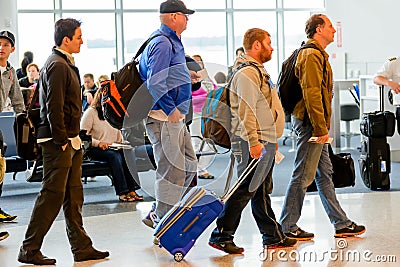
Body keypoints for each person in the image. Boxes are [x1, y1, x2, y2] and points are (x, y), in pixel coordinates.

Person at [18, 18, 109, 265]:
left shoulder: (64, 63)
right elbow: (53, 107)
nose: (82, 41)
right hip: (59, 141)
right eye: (79, 37)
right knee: (52, 195)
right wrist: (61, 140)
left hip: (70, 139)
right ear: (66, 39)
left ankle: (81, 247)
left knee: (73, 194)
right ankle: (29, 248)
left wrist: (71, 139)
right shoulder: (57, 65)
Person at [208, 28, 296, 254]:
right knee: (247, 189)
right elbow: (246, 111)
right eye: (269, 43)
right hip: (251, 141)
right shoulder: (247, 74)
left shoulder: (257, 71)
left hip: (262, 139)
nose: (272, 47)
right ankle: (221, 235)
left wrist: (271, 139)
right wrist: (254, 142)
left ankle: (271, 235)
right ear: (256, 45)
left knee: (261, 189)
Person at [279, 14, 366, 241]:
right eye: (329, 27)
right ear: (318, 29)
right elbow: (312, 95)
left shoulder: (316, 54)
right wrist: (320, 130)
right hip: (310, 125)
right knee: (303, 174)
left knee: (324, 173)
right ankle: (287, 226)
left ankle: (341, 223)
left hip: (314, 125)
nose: (334, 31)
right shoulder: (310, 55)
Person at [139, 0, 198, 229]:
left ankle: (164, 210)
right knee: (170, 170)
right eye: (185, 15)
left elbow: (166, 75)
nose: (187, 19)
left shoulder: (172, 42)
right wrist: (170, 109)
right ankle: (162, 219)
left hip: (175, 118)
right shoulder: (163, 43)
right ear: (173, 17)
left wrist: (186, 79)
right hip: (164, 117)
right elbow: (155, 81)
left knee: (189, 165)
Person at [81, 90, 144, 202]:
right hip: (94, 148)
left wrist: (123, 144)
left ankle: (132, 189)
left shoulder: (114, 113)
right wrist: (99, 143)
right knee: (114, 156)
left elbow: (118, 133)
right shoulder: (91, 113)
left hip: (113, 146)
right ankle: (122, 192)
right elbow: (83, 136)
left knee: (128, 152)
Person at [0, 30, 23, 224]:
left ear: (12, 49)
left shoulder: (10, 72)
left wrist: (23, 117)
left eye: (6, 45)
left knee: (0, 166)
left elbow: (17, 99)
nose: (1, 47)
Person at [190, 54, 217, 179]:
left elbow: (215, 90)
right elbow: (190, 98)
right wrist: (206, 97)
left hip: (208, 113)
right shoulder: (189, 79)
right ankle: (197, 171)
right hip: (195, 113)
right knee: (196, 142)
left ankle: (200, 168)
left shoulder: (206, 78)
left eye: (199, 61)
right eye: (195, 62)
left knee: (211, 143)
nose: (198, 63)